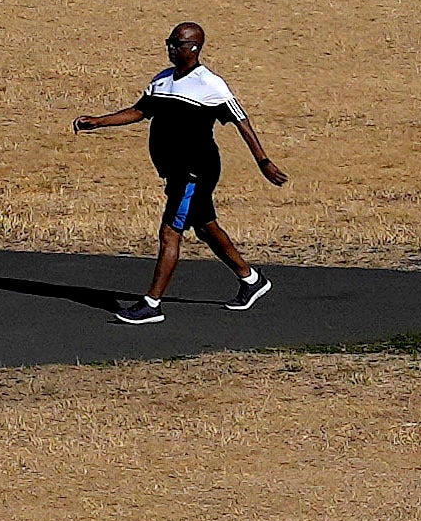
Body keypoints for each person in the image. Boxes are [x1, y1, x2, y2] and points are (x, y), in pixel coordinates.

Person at [73, 21, 283, 321]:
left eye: (178, 43)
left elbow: (242, 122)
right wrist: (99, 121)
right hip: (175, 170)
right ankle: (252, 280)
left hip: (196, 170)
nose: (171, 48)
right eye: (169, 42)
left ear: (194, 48)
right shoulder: (163, 80)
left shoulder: (210, 84)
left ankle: (152, 305)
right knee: (205, 226)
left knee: (170, 233)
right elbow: (140, 111)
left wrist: (263, 161)